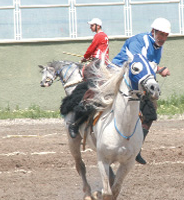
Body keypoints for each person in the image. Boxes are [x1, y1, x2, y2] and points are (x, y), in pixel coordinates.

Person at [67, 17, 172, 165]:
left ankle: (137, 149)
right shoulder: (140, 40)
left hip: (135, 82)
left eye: (166, 35)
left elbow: (148, 69)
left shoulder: (158, 47)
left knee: (150, 112)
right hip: (116, 72)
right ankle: (76, 122)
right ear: (153, 31)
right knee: (97, 94)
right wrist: (160, 69)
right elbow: (138, 63)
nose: (163, 38)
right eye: (161, 34)